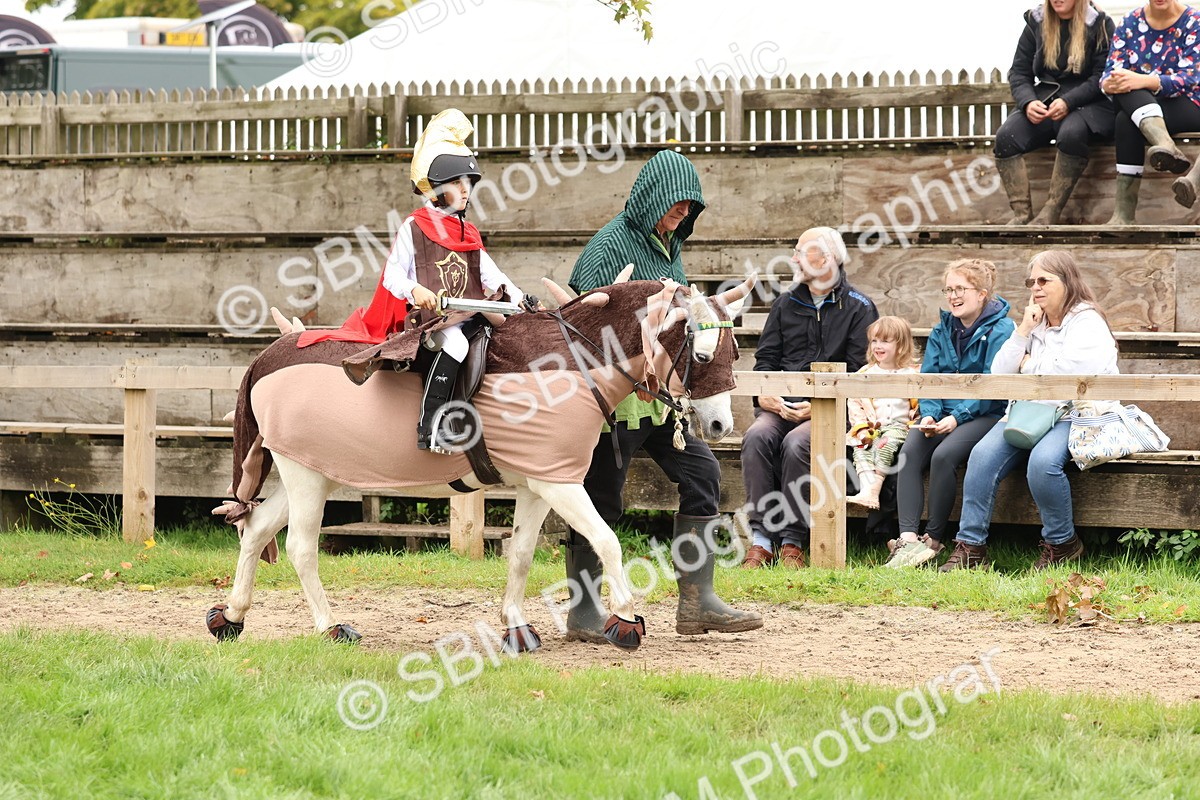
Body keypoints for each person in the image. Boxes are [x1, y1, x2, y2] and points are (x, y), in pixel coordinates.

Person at [561, 150, 762, 641]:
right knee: (600, 497)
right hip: (613, 401)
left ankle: (698, 603)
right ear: (652, 196)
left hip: (659, 399)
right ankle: (584, 612)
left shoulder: (669, 245)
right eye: (676, 203)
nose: (683, 212)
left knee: (703, 473)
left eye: (691, 206)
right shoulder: (608, 246)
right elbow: (586, 320)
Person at [299, 108, 524, 453]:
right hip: (429, 321)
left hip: (468, 313)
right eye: (458, 184)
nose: (466, 192)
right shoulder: (415, 227)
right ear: (436, 188)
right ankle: (431, 426)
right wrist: (416, 289)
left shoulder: (469, 231)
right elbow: (392, 276)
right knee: (457, 345)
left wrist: (521, 297)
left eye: (469, 184)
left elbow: (492, 275)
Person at [940, 250, 1117, 572]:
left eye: (1044, 280)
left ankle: (1062, 544)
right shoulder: (1036, 323)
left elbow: (1069, 374)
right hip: (1030, 412)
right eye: (1031, 281)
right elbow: (1000, 372)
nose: (1035, 287)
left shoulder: (1087, 320)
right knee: (981, 457)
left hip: (1074, 412)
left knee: (1043, 463)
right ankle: (971, 547)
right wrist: (1022, 330)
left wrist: (1029, 364)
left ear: (1067, 281)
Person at [739, 227, 879, 569]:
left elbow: (863, 376)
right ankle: (759, 541)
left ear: (826, 258)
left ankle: (792, 541)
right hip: (783, 405)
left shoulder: (860, 308)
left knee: (798, 444)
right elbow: (765, 361)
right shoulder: (786, 303)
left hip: (834, 411)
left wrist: (820, 408)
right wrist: (764, 395)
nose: (794, 258)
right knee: (757, 436)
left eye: (801, 251)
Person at [886, 259, 1016, 569]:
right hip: (941, 413)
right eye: (949, 289)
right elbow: (929, 379)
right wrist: (929, 414)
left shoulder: (1002, 328)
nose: (953, 296)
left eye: (960, 289)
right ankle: (907, 539)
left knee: (944, 456)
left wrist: (957, 417)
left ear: (982, 293)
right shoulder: (940, 330)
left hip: (985, 412)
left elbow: (991, 384)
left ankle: (932, 539)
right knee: (911, 450)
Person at [994, 0, 1116, 225]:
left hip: (1089, 103)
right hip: (1046, 98)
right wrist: (1028, 102)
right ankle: (1022, 216)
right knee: (1006, 137)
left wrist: (1069, 102)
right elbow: (1019, 73)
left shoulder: (1101, 25)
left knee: (1071, 133)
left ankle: (1051, 211)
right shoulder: (1035, 22)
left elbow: (1102, 76)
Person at [1101, 1, 1200, 223]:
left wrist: (1144, 80)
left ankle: (1124, 214)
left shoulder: (1195, 21)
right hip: (1143, 105)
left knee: (1126, 118)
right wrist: (1110, 84)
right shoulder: (1129, 21)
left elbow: (1190, 78)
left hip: (1189, 103)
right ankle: (1164, 145)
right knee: (1125, 98)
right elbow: (1109, 73)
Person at [844, 316, 920, 511]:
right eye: (874, 341)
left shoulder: (912, 375)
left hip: (899, 428)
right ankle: (866, 492)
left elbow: (920, 404)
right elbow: (855, 404)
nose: (878, 346)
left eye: (885, 341)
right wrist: (861, 429)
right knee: (860, 449)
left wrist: (915, 419)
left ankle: (873, 491)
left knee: (885, 446)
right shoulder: (865, 374)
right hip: (873, 428)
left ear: (901, 345)